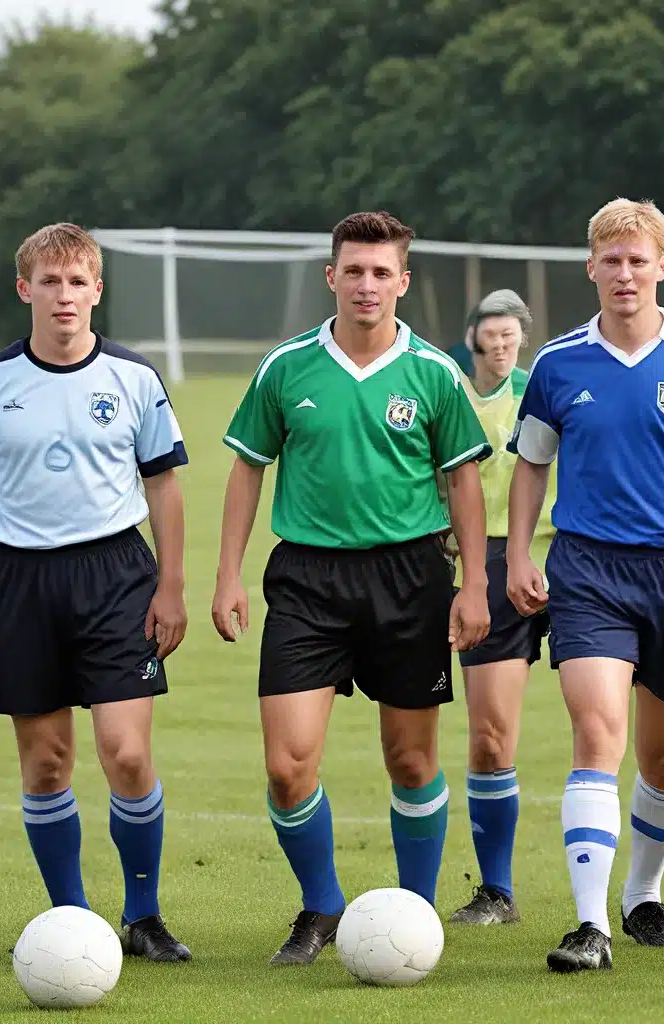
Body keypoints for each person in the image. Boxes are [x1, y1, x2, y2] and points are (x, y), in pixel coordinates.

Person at [211, 210, 492, 965]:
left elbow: (464, 480)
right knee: (287, 764)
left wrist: (474, 585)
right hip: (307, 579)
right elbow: (247, 469)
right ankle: (321, 907)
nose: (367, 284)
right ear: (331, 276)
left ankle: (414, 914)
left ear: (403, 281)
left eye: (381, 272)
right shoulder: (286, 368)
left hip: (411, 575)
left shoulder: (434, 372)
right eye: (354, 270)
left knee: (411, 760)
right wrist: (228, 573)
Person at [506, 198, 664, 972]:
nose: (624, 273)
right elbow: (530, 464)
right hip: (588, 569)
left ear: (661, 267)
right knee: (597, 734)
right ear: (591, 267)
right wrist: (521, 552)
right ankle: (591, 928)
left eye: (637, 259)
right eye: (610, 260)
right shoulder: (557, 363)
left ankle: (641, 895)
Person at [0, 223, 190, 961]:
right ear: (24, 290)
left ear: (97, 290)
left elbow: (162, 484)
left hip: (115, 576)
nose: (64, 295)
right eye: (50, 282)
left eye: (77, 282)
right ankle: (72, 923)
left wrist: (171, 584)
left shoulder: (133, 378)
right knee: (44, 763)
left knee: (126, 754)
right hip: (17, 577)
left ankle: (143, 914)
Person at [441, 289, 556, 927]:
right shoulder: (450, 395)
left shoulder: (545, 389)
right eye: (493, 332)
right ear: (473, 337)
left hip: (567, 561)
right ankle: (497, 891)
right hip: (482, 565)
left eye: (514, 333)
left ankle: (638, 894)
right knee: (490, 735)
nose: (504, 342)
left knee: (614, 733)